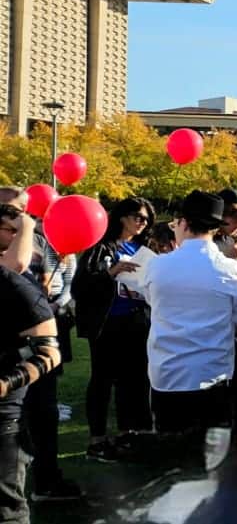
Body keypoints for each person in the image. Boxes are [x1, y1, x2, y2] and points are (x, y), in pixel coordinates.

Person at [144, 191, 237, 467]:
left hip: (166, 374)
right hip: (211, 375)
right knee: (209, 462)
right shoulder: (229, 269)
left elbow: (151, 301)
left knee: (169, 457)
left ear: (182, 223)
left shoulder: (157, 266)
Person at [72, 197, 156, 461]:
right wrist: (111, 273)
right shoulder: (100, 247)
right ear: (122, 217)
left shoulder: (145, 249)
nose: (143, 223)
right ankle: (97, 440)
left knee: (134, 380)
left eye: (146, 220)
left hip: (138, 322)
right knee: (102, 380)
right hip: (107, 324)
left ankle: (128, 433)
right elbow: (80, 287)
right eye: (138, 217)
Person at [0, 261, 64, 522]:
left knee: (7, 513)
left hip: (4, 422)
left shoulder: (15, 286)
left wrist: (4, 384)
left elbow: (49, 355)